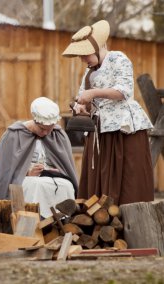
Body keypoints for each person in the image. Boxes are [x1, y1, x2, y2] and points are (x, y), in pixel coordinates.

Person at [62, 20, 154, 205]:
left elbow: (124, 91)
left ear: (97, 47)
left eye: (85, 54)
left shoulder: (118, 59)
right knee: (99, 181)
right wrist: (81, 107)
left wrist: (94, 93)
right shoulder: (89, 72)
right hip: (99, 131)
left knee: (127, 180)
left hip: (122, 130)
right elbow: (84, 98)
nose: (82, 59)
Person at [0, 97, 78, 218]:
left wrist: (57, 171)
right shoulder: (14, 135)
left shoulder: (57, 135)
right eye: (42, 129)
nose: (46, 133)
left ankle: (63, 222)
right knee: (36, 186)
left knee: (66, 185)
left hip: (52, 179)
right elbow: (4, 170)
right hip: (24, 180)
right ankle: (32, 223)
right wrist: (27, 172)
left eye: (49, 129)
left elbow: (65, 165)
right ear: (35, 120)